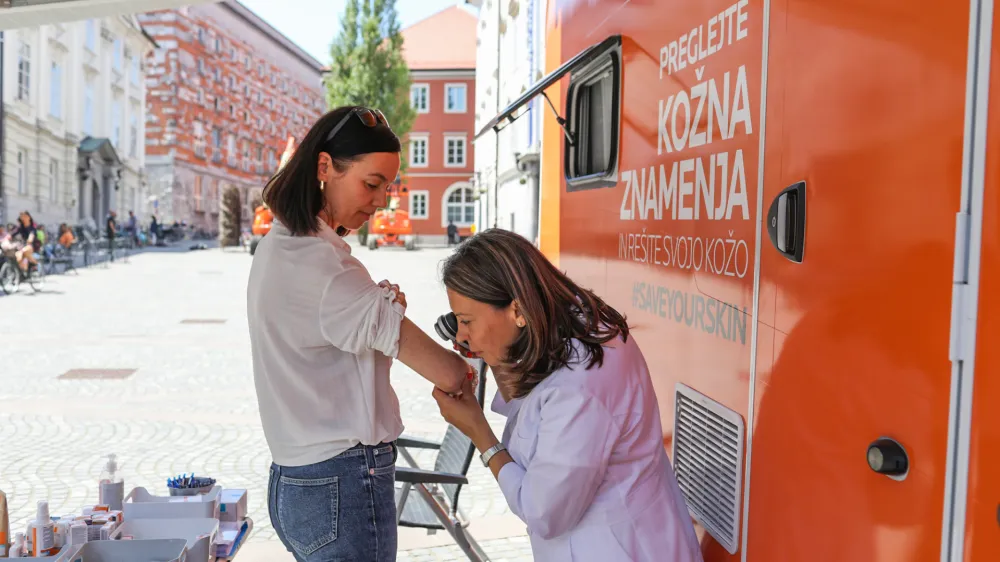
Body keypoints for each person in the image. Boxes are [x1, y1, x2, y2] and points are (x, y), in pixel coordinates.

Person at [247, 105, 472, 562]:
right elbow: (449, 374)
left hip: (296, 479)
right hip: (343, 482)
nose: (381, 202)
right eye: (371, 184)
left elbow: (325, 339)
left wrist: (377, 313)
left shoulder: (280, 246)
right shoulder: (328, 269)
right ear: (325, 167)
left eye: (388, 188)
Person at [432, 229, 703, 562]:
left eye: (466, 320)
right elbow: (529, 404)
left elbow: (545, 513)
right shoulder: (569, 327)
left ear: (517, 310)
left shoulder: (579, 387)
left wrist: (480, 433)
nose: (461, 335)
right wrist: (490, 352)